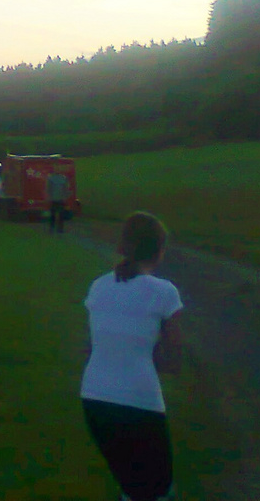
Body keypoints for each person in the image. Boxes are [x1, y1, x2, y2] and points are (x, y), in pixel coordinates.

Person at [80, 212, 184, 501]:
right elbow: (174, 362)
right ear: (158, 251)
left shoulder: (98, 287)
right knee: (159, 490)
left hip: (94, 399)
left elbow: (92, 348)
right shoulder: (165, 293)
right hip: (140, 402)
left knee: (131, 485)